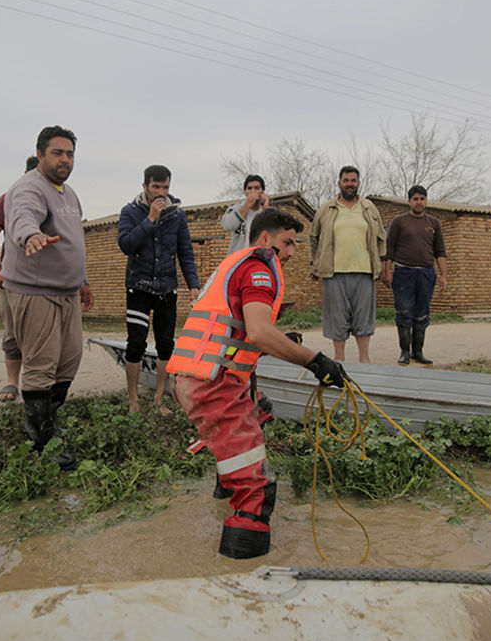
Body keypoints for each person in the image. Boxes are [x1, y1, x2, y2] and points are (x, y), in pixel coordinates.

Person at [169, 208, 349, 559]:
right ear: (265, 239)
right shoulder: (258, 269)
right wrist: (315, 361)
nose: (292, 253)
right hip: (213, 386)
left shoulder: (234, 263)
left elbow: (236, 331)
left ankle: (226, 488)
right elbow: (259, 332)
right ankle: (242, 579)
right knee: (258, 488)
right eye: (288, 243)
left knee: (260, 410)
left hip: (198, 377)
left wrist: (279, 341)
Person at [1, 125, 94, 469]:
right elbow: (22, 218)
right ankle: (41, 441)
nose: (65, 159)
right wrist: (31, 236)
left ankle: (47, 421)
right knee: (41, 366)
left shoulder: (69, 194)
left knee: (68, 360)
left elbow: (73, 240)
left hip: (67, 291)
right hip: (35, 291)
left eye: (69, 153)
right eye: (57, 153)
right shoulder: (28, 188)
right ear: (40, 155)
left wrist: (82, 279)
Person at [117, 164, 201, 415]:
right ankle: (133, 400)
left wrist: (193, 284)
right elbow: (126, 245)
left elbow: (185, 251)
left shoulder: (177, 214)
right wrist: (150, 219)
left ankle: (159, 399)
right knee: (136, 344)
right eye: (156, 187)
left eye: (165, 187)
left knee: (166, 345)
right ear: (145, 187)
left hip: (167, 287)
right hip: (139, 288)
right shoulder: (130, 211)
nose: (161, 192)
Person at [309, 166, 386, 363]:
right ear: (339, 183)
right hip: (334, 272)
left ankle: (364, 360)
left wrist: (383, 266)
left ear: (358, 183)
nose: (349, 184)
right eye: (346, 180)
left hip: (364, 271)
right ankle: (339, 360)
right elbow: (314, 237)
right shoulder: (327, 209)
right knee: (337, 318)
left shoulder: (369, 208)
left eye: (353, 180)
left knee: (363, 318)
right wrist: (315, 264)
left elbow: (380, 239)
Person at [0, 155, 38, 403]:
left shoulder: (55, 200)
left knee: (42, 334)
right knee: (12, 332)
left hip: (45, 281)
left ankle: (38, 384)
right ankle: (12, 381)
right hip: (13, 279)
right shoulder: (8, 199)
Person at [381, 185, 447, 365]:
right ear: (409, 201)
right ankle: (404, 352)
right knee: (404, 312)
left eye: (422, 198)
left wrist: (443, 275)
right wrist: (387, 271)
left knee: (422, 314)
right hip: (403, 273)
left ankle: (418, 351)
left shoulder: (434, 224)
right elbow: (390, 249)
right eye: (415, 199)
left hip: (426, 274)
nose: (419, 202)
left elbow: (440, 251)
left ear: (426, 200)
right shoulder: (399, 221)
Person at [221, 174, 271, 254]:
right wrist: (247, 205)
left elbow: (274, 233)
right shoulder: (235, 209)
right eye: (249, 188)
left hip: (258, 260)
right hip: (238, 259)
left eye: (257, 188)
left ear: (262, 192)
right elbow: (228, 226)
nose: (253, 191)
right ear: (245, 192)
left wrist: (267, 208)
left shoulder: (266, 212)